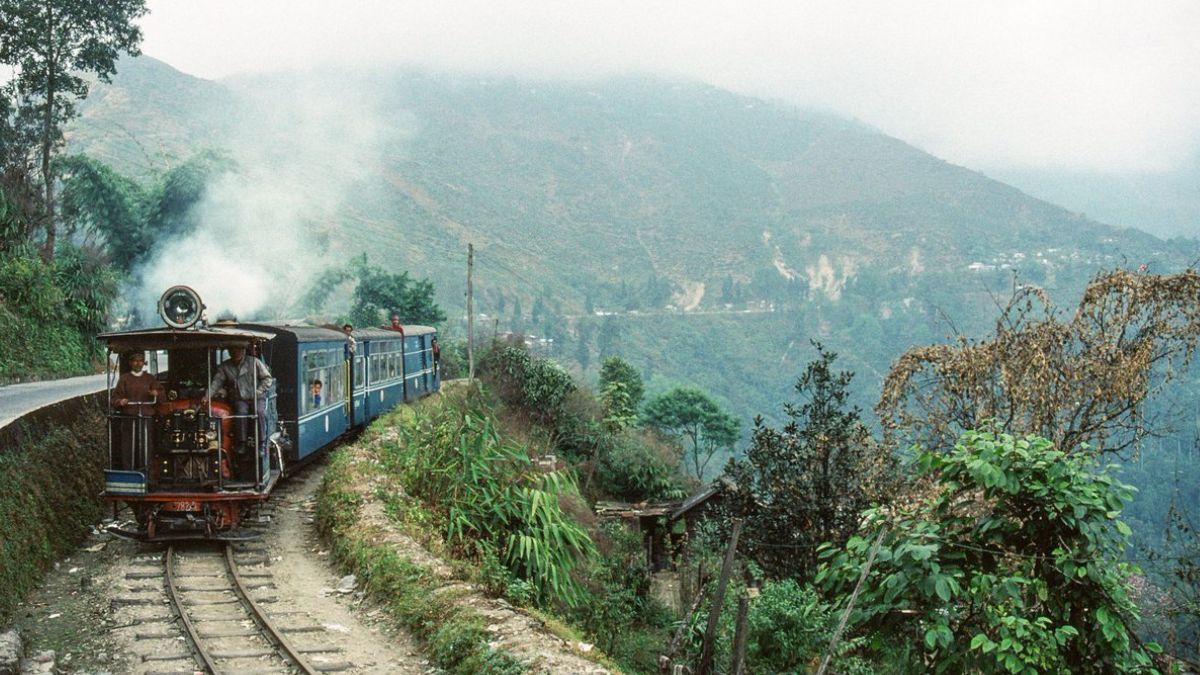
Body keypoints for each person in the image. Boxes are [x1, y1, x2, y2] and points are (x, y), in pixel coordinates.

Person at [203, 344, 274, 455]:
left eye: (238, 349)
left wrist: (258, 391)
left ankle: (261, 443)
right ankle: (242, 443)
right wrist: (208, 396)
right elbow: (216, 383)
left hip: (257, 397)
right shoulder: (225, 366)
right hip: (240, 398)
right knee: (241, 411)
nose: (236, 352)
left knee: (260, 412)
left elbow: (267, 378)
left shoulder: (254, 362)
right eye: (232, 350)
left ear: (243, 350)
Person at [111, 351, 162, 470]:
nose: (138, 363)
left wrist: (156, 393)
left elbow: (161, 395)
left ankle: (148, 475)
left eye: (140, 361)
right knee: (127, 447)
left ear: (144, 363)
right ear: (130, 363)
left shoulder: (150, 378)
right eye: (135, 361)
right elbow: (114, 398)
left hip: (146, 418)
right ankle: (129, 473)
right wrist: (121, 401)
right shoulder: (124, 379)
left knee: (147, 446)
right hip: (129, 417)